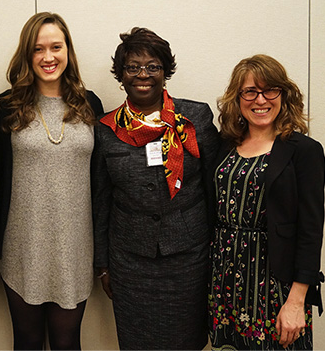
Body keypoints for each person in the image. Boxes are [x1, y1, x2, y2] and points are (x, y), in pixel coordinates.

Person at [92, 27, 219, 350]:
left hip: (189, 259)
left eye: (153, 66)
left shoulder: (194, 118)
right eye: (133, 67)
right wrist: (103, 264)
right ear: (121, 74)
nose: (143, 75)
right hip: (130, 263)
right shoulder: (106, 129)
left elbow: (214, 188)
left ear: (166, 72)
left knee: (187, 341)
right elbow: (101, 200)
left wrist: (217, 255)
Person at [0, 12, 103, 350]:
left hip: (76, 246)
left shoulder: (89, 104)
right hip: (22, 245)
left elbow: (100, 180)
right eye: (38, 49)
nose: (48, 57)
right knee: (27, 340)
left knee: (68, 342)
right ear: (27, 54)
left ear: (68, 50)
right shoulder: (5, 107)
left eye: (56, 47)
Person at [208, 54, 325, 350]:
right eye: (250, 91)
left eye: (270, 90)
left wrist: (297, 301)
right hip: (225, 280)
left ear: (284, 95)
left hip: (275, 285)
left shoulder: (304, 151)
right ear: (238, 98)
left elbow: (311, 231)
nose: (260, 100)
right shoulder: (224, 145)